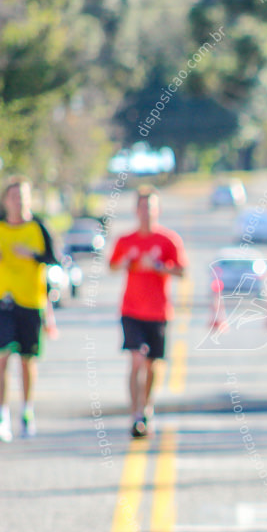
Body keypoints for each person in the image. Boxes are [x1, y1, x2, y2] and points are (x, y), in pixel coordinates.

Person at [109, 187, 187, 438]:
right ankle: (135, 414)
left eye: (151, 208)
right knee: (136, 360)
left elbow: (182, 272)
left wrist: (158, 266)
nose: (146, 212)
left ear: (158, 210)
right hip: (131, 310)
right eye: (142, 207)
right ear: (136, 210)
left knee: (152, 366)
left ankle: (147, 407)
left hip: (158, 312)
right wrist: (126, 262)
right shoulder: (125, 240)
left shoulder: (168, 240)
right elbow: (112, 266)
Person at [0, 177, 58, 441]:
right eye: (13, 196)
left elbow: (55, 260)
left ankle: (26, 411)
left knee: (27, 360)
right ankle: (3, 415)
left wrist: (32, 255)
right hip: (4, 301)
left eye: (22, 196)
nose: (18, 201)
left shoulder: (39, 228)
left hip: (31, 302)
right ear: (5, 201)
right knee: (2, 358)